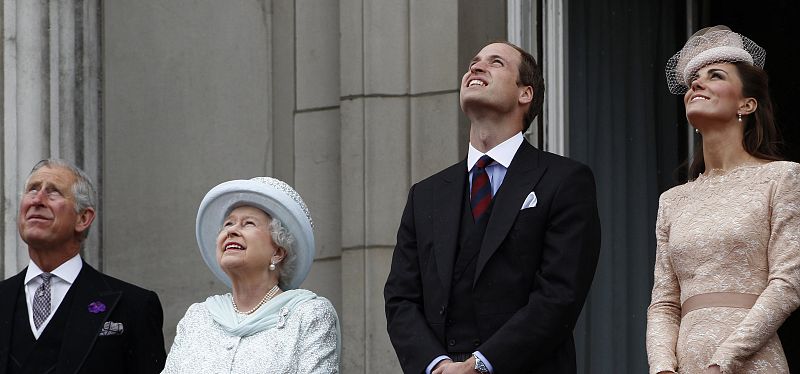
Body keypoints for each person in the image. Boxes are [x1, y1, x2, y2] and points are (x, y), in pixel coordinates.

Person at [384, 41, 602, 374]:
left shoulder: (565, 180)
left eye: (496, 62)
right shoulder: (425, 195)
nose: (475, 67)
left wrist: (482, 364)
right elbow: (401, 298)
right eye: (474, 62)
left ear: (525, 93)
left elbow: (559, 294)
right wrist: (436, 365)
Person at [647, 25, 800, 374]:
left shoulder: (783, 177)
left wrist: (723, 359)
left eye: (715, 76)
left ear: (747, 104)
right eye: (693, 80)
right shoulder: (672, 200)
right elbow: (664, 304)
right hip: (685, 364)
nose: (696, 85)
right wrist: (662, 367)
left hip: (751, 361)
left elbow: (788, 283)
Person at [0, 159, 167, 373]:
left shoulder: (134, 306)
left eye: (53, 192)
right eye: (32, 189)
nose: (37, 200)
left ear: (83, 218)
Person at [162, 177, 340, 373]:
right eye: (228, 224)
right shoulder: (197, 317)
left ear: (278, 252)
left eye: (248, 223)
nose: (231, 231)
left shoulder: (308, 314)